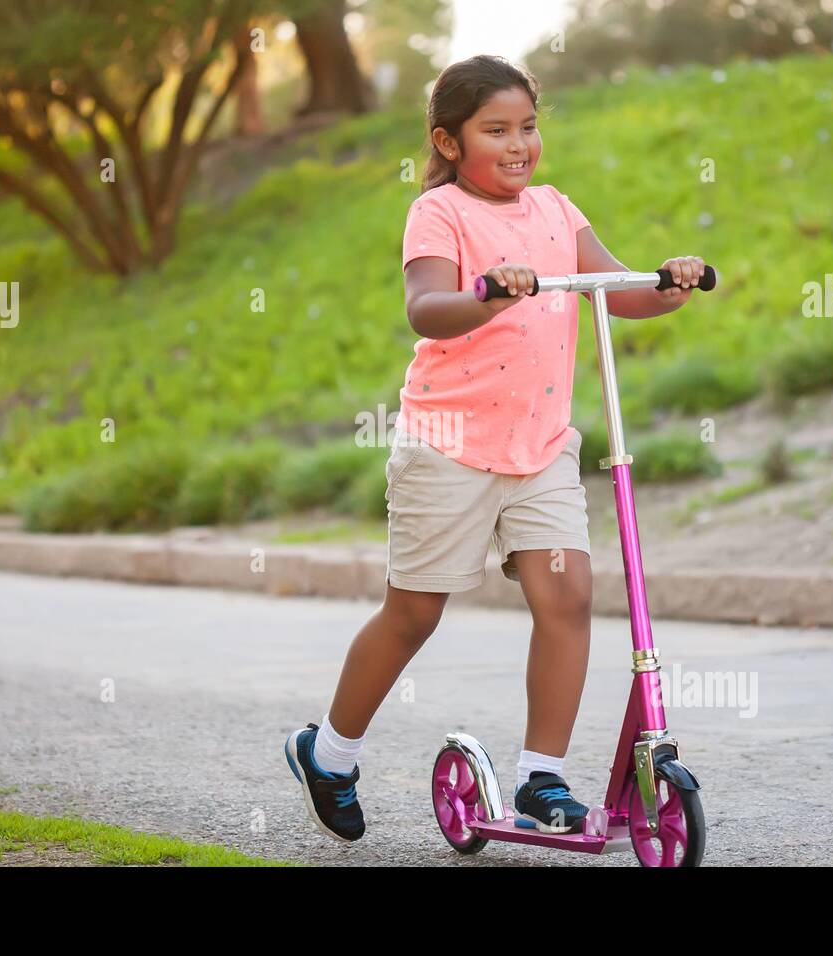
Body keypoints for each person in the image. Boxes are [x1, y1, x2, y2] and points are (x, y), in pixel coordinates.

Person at [285, 53, 705, 843]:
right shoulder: (439, 214)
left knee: (569, 597)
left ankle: (540, 776)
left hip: (540, 447)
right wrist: (484, 294)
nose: (519, 145)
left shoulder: (554, 209)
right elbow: (426, 307)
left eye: (529, 126)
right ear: (448, 141)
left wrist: (669, 283)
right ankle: (330, 753)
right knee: (414, 614)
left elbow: (622, 289)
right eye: (496, 130)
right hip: (448, 445)